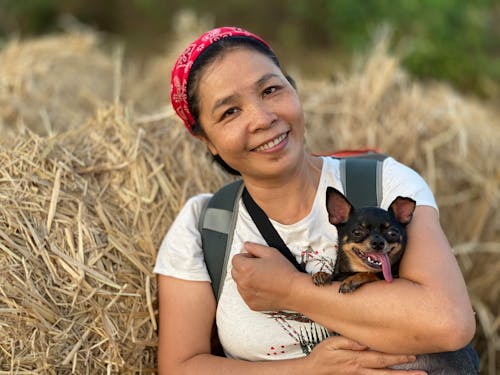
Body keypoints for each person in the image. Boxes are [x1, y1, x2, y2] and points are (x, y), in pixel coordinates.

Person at [154, 26, 476, 374]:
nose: (263, 118)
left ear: (294, 89)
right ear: (207, 141)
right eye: (230, 112)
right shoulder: (206, 225)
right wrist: (308, 369)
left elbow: (449, 323)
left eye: (271, 89)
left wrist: (292, 290)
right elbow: (180, 367)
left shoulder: (386, 184)